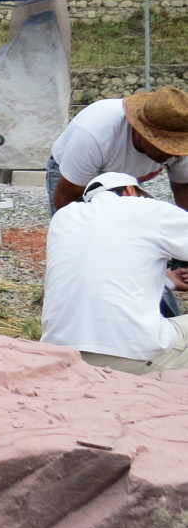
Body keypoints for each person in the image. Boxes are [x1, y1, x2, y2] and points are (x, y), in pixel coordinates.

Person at [42, 172, 188, 375]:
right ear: (130, 191)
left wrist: (167, 281)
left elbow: (104, 271)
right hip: (128, 354)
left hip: (61, 353)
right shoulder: (143, 208)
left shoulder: (63, 218)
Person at [45, 87, 188, 215]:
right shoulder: (95, 135)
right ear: (140, 131)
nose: (174, 153)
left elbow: (183, 190)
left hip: (127, 174)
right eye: (165, 146)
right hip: (75, 177)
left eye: (178, 145)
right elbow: (66, 200)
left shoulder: (181, 137)